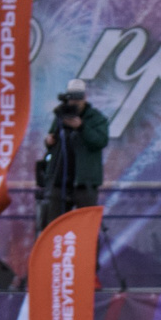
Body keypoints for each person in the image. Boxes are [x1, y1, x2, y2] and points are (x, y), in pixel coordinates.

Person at [36, 78, 110, 221]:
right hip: (60, 179)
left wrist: (82, 127)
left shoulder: (96, 118)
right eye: (72, 99)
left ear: (84, 98)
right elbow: (52, 140)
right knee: (55, 222)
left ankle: (89, 244)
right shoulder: (61, 115)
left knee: (86, 223)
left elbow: (100, 141)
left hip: (84, 181)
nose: (75, 103)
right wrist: (49, 141)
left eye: (79, 99)